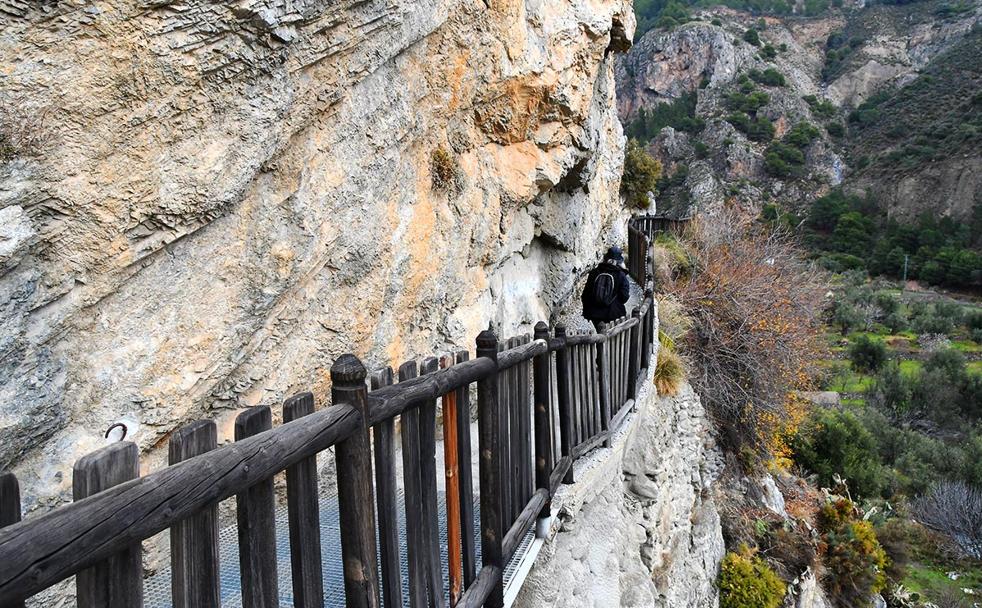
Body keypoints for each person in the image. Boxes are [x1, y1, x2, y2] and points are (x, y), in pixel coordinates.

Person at [581, 246, 631, 332]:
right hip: (614, 314)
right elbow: (624, 297)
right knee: (612, 339)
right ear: (619, 261)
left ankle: (600, 344)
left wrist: (588, 310)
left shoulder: (594, 272)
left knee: (600, 334)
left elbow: (585, 294)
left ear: (605, 258)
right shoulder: (621, 275)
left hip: (594, 313)